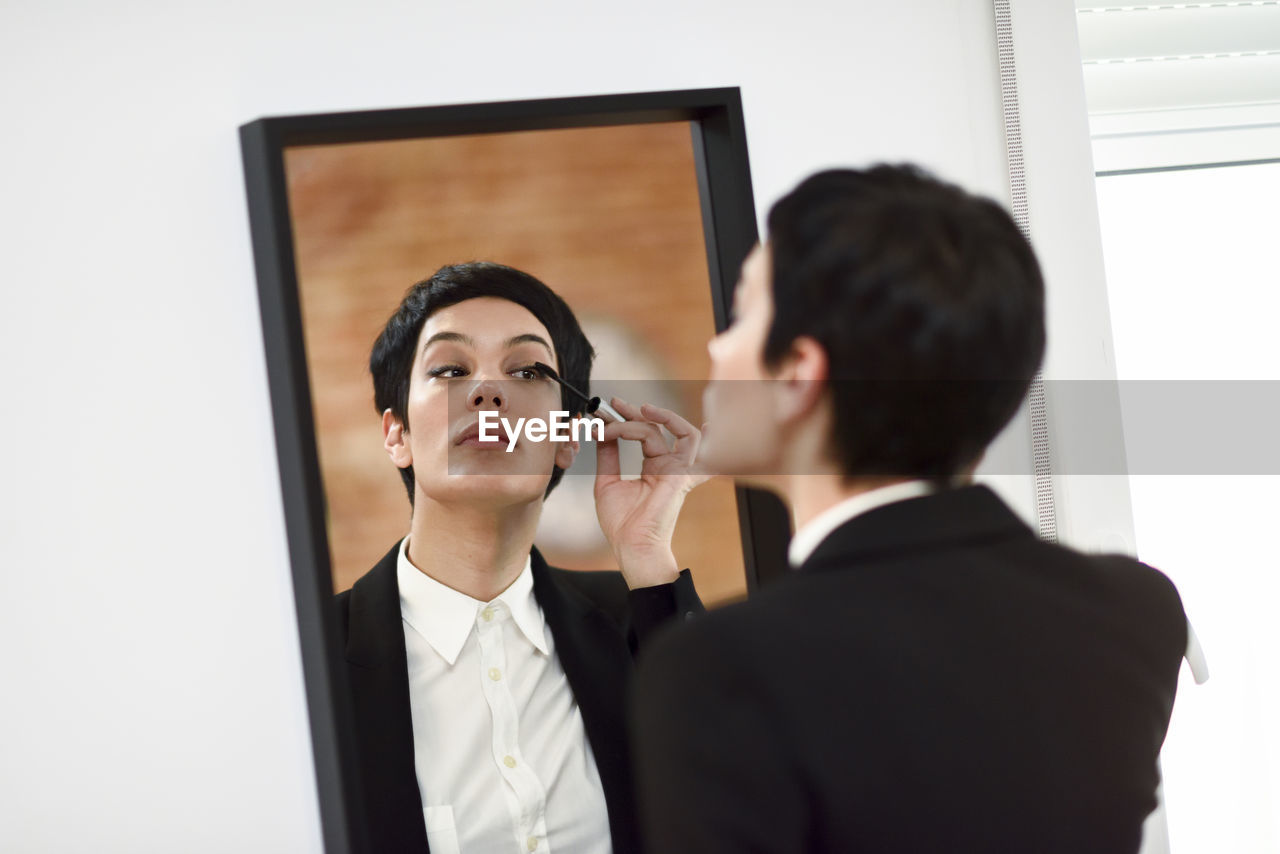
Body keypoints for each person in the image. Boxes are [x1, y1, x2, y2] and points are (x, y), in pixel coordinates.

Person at [630, 166, 1187, 854]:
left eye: (742, 315)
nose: (716, 346)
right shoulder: (1137, 608)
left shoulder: (721, 670)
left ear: (799, 372)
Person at [336, 261, 705, 854]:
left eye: (528, 369)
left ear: (566, 439)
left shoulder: (637, 622)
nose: (487, 390)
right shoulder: (311, 663)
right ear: (397, 434)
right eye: (451, 368)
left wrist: (646, 553)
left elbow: (735, 801)